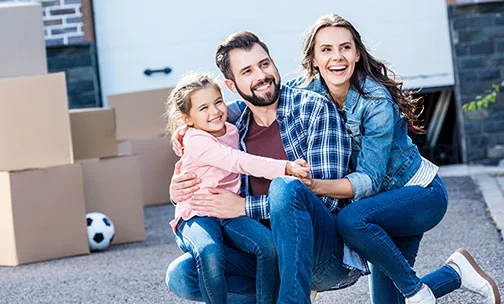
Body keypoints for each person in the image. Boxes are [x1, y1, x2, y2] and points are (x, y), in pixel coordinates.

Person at [285, 14, 501, 304]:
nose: (337, 57)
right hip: (378, 211)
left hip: (418, 196)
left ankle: (415, 292)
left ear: (357, 53)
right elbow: (264, 99)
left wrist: (313, 187)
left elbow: (369, 181)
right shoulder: (305, 92)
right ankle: (456, 272)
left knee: (350, 220)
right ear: (313, 59)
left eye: (345, 48)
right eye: (326, 49)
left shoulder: (374, 100)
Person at [166, 31, 370, 304]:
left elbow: (326, 198)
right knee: (182, 275)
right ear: (231, 85)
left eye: (264, 64)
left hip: (320, 254)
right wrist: (177, 187)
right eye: (247, 71)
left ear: (274, 63)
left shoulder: (313, 109)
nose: (260, 76)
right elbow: (203, 145)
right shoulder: (231, 126)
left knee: (286, 187)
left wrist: (244, 207)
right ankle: (273, 295)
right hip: (266, 251)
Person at [165, 72, 311, 304]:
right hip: (197, 213)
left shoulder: (230, 128)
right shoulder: (196, 140)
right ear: (188, 119)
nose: (214, 111)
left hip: (228, 210)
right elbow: (237, 160)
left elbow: (247, 104)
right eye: (203, 108)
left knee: (268, 246)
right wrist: (286, 167)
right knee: (210, 252)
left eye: (218, 102)